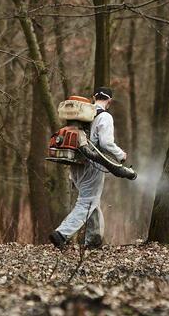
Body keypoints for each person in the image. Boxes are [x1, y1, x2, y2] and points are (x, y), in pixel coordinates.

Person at [49, 86, 127, 250]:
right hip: (92, 165)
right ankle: (62, 234)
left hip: (75, 164)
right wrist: (120, 155)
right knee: (87, 201)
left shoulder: (85, 114)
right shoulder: (104, 116)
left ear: (94, 97)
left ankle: (93, 239)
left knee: (92, 200)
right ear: (109, 101)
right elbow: (106, 143)